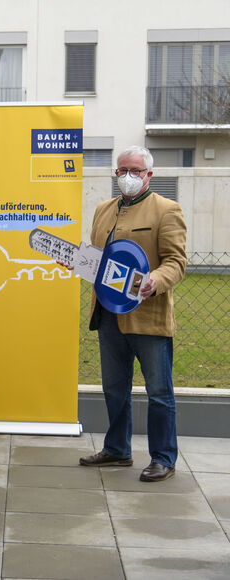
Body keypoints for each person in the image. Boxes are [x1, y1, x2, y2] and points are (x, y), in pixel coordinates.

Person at [74, 146, 186, 482]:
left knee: (159, 393)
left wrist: (156, 280)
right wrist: (78, 261)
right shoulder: (103, 210)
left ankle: (163, 458)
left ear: (149, 174)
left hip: (148, 318)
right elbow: (101, 263)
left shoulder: (167, 210)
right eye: (122, 170)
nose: (128, 176)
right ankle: (117, 450)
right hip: (108, 314)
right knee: (114, 389)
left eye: (135, 170)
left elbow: (176, 262)